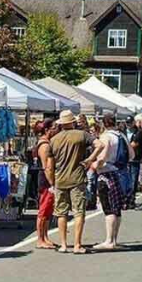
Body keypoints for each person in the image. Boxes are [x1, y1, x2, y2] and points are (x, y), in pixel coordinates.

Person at [50, 109, 98, 254]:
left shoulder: (54, 139)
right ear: (72, 122)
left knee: (61, 213)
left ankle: (63, 244)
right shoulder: (81, 135)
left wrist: (52, 181)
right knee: (79, 212)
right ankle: (77, 245)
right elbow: (100, 144)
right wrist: (90, 159)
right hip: (77, 178)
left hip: (60, 179)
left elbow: (50, 164)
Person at [91, 114, 128, 251]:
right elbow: (132, 155)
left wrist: (95, 164)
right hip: (119, 173)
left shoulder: (106, 137)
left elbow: (102, 157)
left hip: (106, 174)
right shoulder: (122, 136)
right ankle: (114, 240)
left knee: (108, 208)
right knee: (116, 208)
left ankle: (109, 240)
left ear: (103, 123)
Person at [34, 119, 58, 249]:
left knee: (48, 210)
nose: (56, 130)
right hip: (45, 180)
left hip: (48, 179)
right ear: (47, 130)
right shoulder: (44, 145)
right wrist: (52, 183)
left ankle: (45, 237)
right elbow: (46, 167)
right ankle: (40, 239)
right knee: (43, 210)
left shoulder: (48, 143)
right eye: (54, 128)